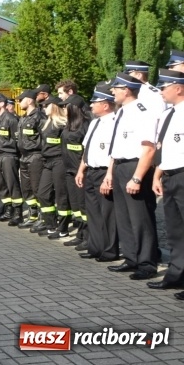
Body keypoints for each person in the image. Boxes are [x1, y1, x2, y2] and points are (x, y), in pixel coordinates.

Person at [103, 72, 159, 280]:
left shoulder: (143, 111)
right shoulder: (121, 112)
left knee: (140, 217)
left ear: (126, 90)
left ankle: (147, 263)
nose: (112, 91)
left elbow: (149, 148)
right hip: (119, 165)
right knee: (124, 216)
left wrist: (137, 177)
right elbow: (115, 147)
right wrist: (109, 172)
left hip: (135, 166)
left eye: (115, 88)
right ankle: (131, 257)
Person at [75, 83, 119, 262]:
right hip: (91, 171)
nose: (91, 105)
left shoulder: (115, 122)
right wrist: (81, 170)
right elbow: (87, 149)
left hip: (104, 172)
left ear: (106, 104)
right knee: (92, 212)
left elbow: (114, 153)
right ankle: (96, 246)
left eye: (95, 102)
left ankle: (110, 250)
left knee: (107, 213)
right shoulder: (94, 122)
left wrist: (109, 175)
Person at [150, 69, 184, 296]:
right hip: (170, 176)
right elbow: (166, 149)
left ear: (179, 88)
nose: (161, 91)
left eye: (165, 87)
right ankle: (176, 275)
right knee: (174, 231)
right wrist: (157, 174)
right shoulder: (168, 114)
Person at [60, 95, 90, 248]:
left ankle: (88, 236)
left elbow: (86, 150)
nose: (63, 109)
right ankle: (80, 233)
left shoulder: (85, 125)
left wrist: (82, 169)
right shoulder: (69, 125)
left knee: (84, 205)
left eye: (65, 106)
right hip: (69, 170)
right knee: (76, 205)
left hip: (81, 171)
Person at [34, 96, 66, 237]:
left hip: (59, 161)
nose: (43, 108)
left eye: (46, 106)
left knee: (61, 195)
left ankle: (63, 228)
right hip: (47, 161)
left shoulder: (62, 124)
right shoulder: (47, 123)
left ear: (53, 106)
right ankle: (50, 224)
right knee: (43, 193)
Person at [15, 89, 44, 228]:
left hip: (35, 155)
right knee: (26, 188)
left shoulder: (39, 116)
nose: (19, 102)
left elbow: (44, 137)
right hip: (24, 156)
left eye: (21, 100)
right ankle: (32, 215)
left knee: (37, 187)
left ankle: (43, 217)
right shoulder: (24, 117)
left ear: (30, 100)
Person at [0, 93, 20, 222]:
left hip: (9, 155)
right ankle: (8, 209)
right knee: (1, 185)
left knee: (12, 184)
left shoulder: (11, 119)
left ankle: (18, 212)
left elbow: (17, 139)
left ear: (2, 103)